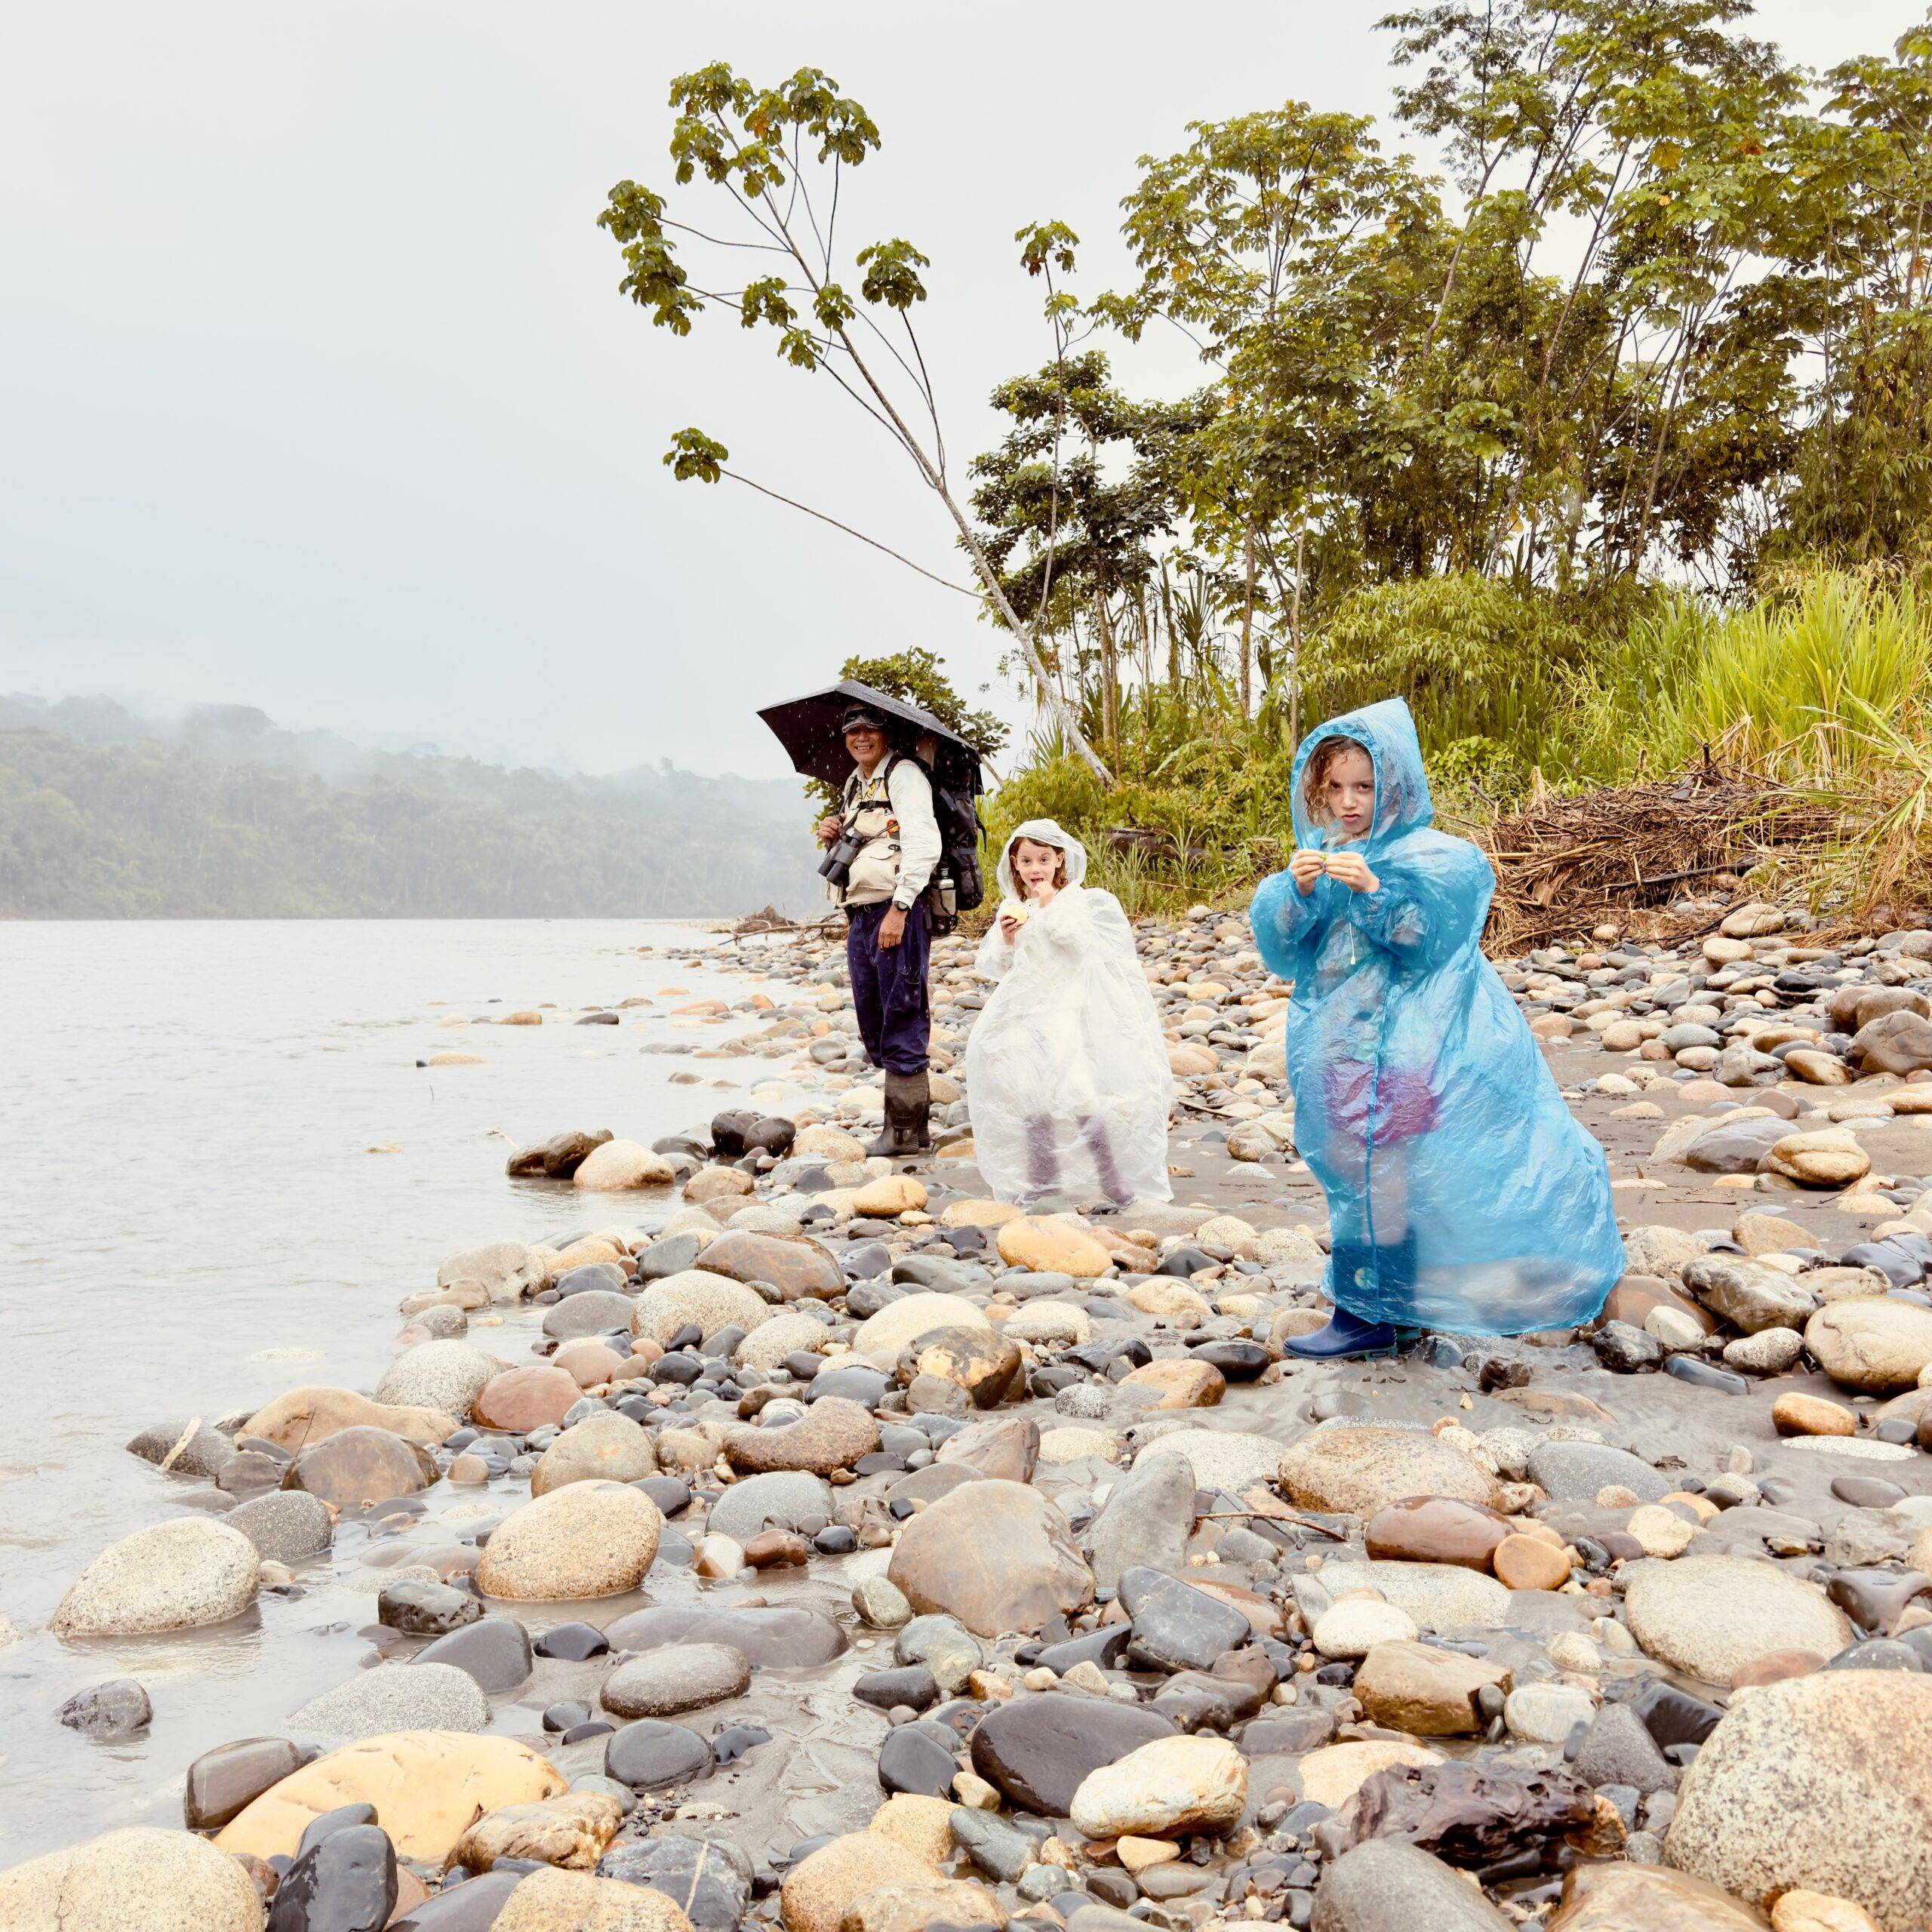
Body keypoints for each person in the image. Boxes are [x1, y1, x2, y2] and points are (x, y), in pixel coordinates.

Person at [1250, 697, 1624, 1358]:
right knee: (1348, 1162)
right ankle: (1393, 1303)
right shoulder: (1323, 854)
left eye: (1364, 787)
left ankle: (1368, 1313)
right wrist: (1296, 893)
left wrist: (1372, 889)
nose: (1348, 802)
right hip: (1339, 1045)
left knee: (1382, 1168)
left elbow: (1428, 942)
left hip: (1401, 1047)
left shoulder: (1431, 857)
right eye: (1334, 787)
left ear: (1395, 785)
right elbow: (1284, 950)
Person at [964, 819, 1173, 1208]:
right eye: (1026, 861)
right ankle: (1044, 1180)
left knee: (1079, 1093)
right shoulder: (1014, 908)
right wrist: (1008, 936)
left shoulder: (1076, 901)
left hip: (1068, 1007)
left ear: (1059, 860)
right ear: (1015, 863)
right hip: (1026, 1011)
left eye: (1044, 859)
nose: (1035, 869)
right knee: (1032, 1095)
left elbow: (1077, 944)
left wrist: (1049, 905)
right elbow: (995, 963)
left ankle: (1112, 1179)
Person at [817, 701, 943, 1155]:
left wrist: (902, 907)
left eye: (869, 729)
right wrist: (834, 831)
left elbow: (924, 844)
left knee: (903, 1011)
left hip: (896, 911)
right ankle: (913, 1127)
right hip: (862, 914)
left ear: (885, 734)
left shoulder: (904, 774)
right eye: (852, 731)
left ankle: (904, 1133)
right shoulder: (855, 784)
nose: (860, 738)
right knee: (873, 1018)